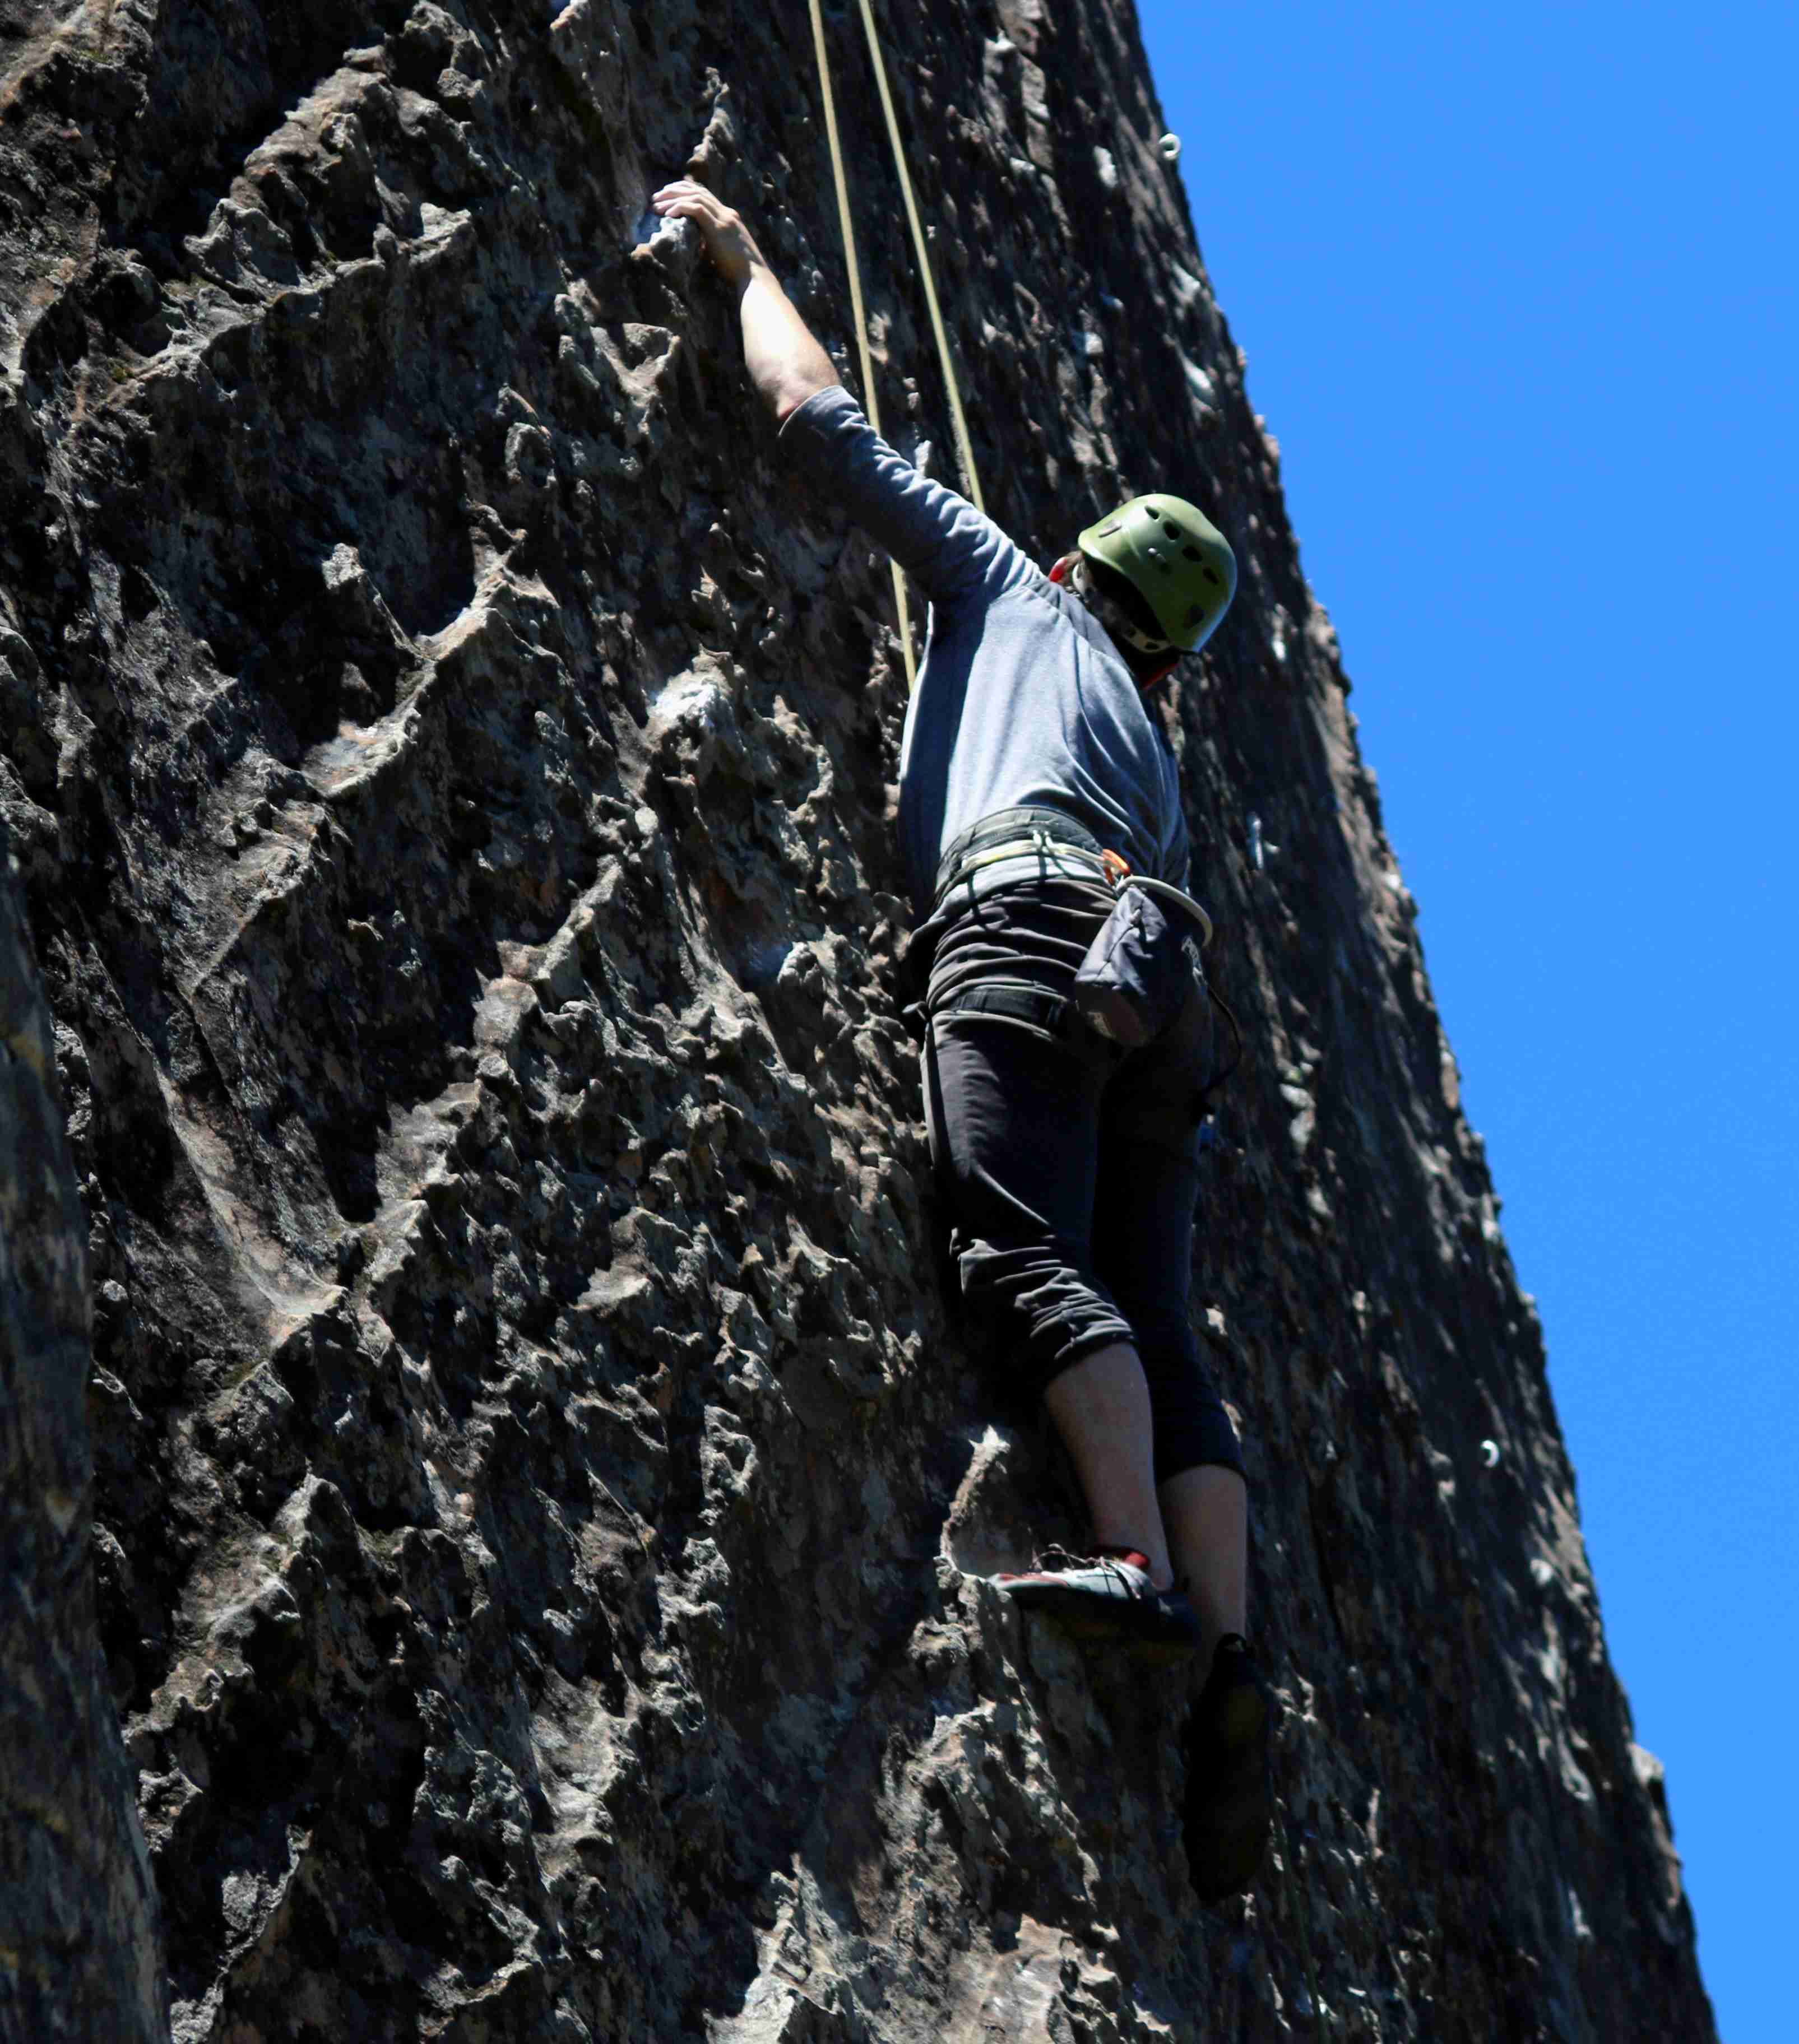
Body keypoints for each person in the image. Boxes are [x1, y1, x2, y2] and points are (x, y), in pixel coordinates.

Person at [651, 177, 1271, 1902]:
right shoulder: (1157, 753)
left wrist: (743, 259)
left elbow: (815, 425)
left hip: (1025, 931)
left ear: (1085, 566)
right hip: (1160, 984)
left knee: (1016, 1246)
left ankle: (1135, 1564)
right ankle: (1234, 1652)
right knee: (1161, 1310)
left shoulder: (1015, 591)